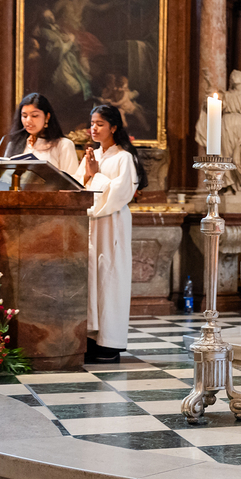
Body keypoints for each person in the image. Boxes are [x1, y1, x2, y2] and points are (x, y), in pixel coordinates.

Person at [74, 105, 147, 363]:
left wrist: (95, 176)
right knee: (92, 279)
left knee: (110, 278)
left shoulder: (124, 157)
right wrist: (88, 175)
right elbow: (77, 186)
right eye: (92, 123)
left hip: (112, 222)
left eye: (100, 124)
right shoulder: (92, 155)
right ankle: (91, 337)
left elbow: (120, 193)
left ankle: (110, 343)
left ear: (113, 127)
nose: (93, 128)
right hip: (91, 224)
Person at [4, 93, 79, 175]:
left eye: (34, 116)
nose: (28, 120)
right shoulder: (13, 145)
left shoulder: (63, 145)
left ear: (47, 117)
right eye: (24, 116)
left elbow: (72, 180)